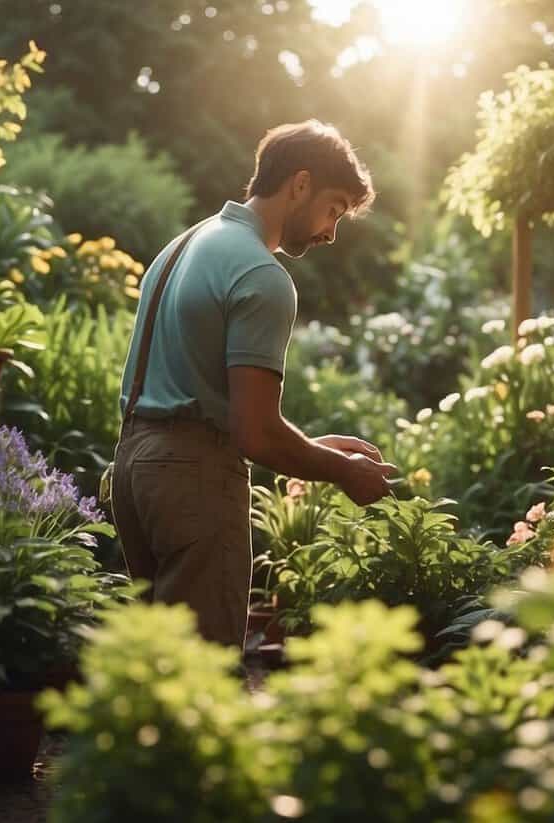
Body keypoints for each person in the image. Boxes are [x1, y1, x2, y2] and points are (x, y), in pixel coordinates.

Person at [110, 120, 398, 647]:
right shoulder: (262, 276)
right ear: (301, 183)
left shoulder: (182, 247)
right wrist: (343, 473)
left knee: (155, 669)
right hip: (192, 481)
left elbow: (224, 405)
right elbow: (256, 435)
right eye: (334, 208)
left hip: (134, 465)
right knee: (203, 674)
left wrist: (311, 449)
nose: (331, 231)